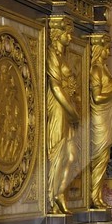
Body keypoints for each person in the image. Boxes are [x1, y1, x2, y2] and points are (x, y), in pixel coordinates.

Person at [47, 17, 79, 213]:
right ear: (58, 34)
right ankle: (54, 196)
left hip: (68, 107)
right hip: (59, 108)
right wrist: (71, 111)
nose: (70, 37)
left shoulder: (65, 57)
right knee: (58, 151)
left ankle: (60, 192)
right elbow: (55, 86)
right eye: (67, 33)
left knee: (72, 155)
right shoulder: (52, 55)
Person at [89, 36, 112, 207]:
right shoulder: (96, 70)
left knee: (103, 156)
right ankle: (94, 197)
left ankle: (96, 195)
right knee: (100, 155)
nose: (108, 52)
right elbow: (97, 98)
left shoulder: (104, 69)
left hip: (105, 116)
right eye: (106, 48)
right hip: (99, 118)